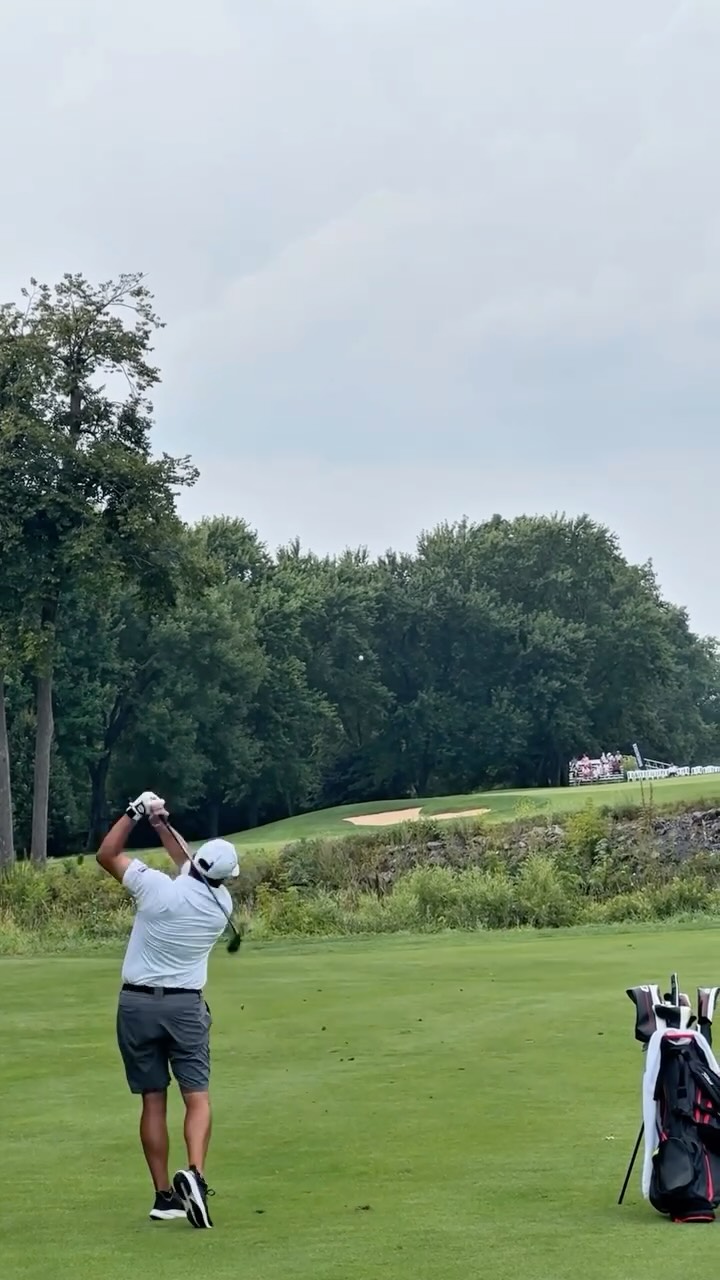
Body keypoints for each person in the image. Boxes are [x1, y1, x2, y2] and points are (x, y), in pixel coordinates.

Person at [96, 789, 240, 1229]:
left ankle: (164, 1196)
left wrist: (137, 812)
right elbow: (190, 866)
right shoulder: (222, 906)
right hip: (185, 1009)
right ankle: (195, 1174)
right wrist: (162, 827)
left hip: (137, 1006)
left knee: (153, 1101)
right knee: (196, 1098)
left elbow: (106, 855)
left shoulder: (155, 887)